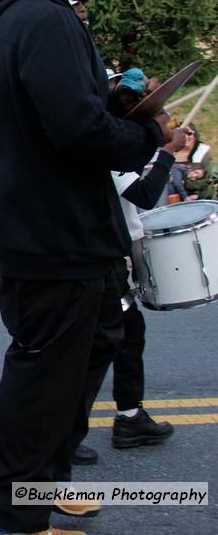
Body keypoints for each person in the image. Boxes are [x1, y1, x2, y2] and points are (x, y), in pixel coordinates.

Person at [0, 0, 171, 534]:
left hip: (56, 236)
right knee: (40, 397)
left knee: (73, 376)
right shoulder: (43, 19)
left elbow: (60, 114)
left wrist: (113, 107)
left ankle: (43, 491)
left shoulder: (16, 17)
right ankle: (4, 521)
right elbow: (78, 133)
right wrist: (143, 132)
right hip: (54, 243)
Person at [70, 125, 187, 468]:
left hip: (111, 255)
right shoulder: (102, 146)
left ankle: (129, 416)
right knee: (97, 347)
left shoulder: (110, 142)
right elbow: (146, 194)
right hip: (100, 257)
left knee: (127, 336)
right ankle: (68, 434)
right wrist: (167, 154)